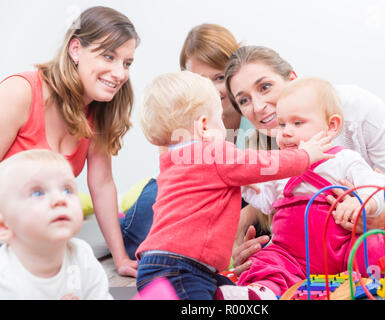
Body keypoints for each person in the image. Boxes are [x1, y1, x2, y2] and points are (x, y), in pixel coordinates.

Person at [215, 77, 385, 300]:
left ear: (330, 127)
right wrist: (246, 185)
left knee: (381, 248)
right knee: (265, 260)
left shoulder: (343, 159)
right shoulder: (281, 165)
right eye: (282, 123)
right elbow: (266, 200)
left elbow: (380, 187)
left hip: (346, 247)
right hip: (292, 254)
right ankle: (262, 290)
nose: (286, 132)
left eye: (298, 123)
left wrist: (363, 202)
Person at [134, 71, 334, 300]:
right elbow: (266, 162)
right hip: (182, 268)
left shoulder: (173, 162)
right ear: (205, 126)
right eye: (220, 119)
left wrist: (245, 179)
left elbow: (208, 185)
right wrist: (304, 156)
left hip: (161, 265)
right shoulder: (213, 152)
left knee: (222, 288)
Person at [0, 6, 140, 277]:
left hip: (34, 244)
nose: (120, 73)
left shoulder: (97, 112)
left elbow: (102, 184)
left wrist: (121, 259)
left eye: (127, 63)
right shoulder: (20, 92)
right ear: (75, 50)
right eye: (109, 56)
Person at [120, 23, 260, 260]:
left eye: (218, 78)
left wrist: (236, 230)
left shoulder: (254, 112)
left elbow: (269, 187)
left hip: (241, 200)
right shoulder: (180, 116)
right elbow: (173, 186)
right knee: (149, 211)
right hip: (191, 198)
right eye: (198, 79)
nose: (211, 89)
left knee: (260, 233)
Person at [0, 150, 113, 299]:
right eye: (37, 193)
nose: (60, 199)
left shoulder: (81, 255)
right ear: (4, 226)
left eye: (67, 190)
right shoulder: (5, 278)